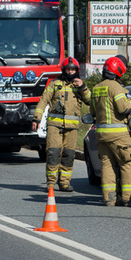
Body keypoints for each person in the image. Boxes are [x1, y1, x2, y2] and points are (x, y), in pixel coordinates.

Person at [90, 55, 131, 207]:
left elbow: (93, 112)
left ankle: (109, 199)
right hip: (118, 134)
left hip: (101, 134)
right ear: (118, 72)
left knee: (107, 165)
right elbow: (123, 108)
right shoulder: (116, 87)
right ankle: (129, 199)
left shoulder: (96, 88)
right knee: (129, 163)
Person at [32, 57, 91, 192]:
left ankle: (64, 182)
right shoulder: (54, 84)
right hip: (54, 126)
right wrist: (37, 118)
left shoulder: (80, 85)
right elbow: (43, 101)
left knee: (69, 154)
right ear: (63, 70)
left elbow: (90, 101)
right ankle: (51, 183)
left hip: (72, 128)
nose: (70, 72)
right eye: (68, 69)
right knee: (53, 153)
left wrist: (83, 87)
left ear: (77, 70)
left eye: (73, 69)